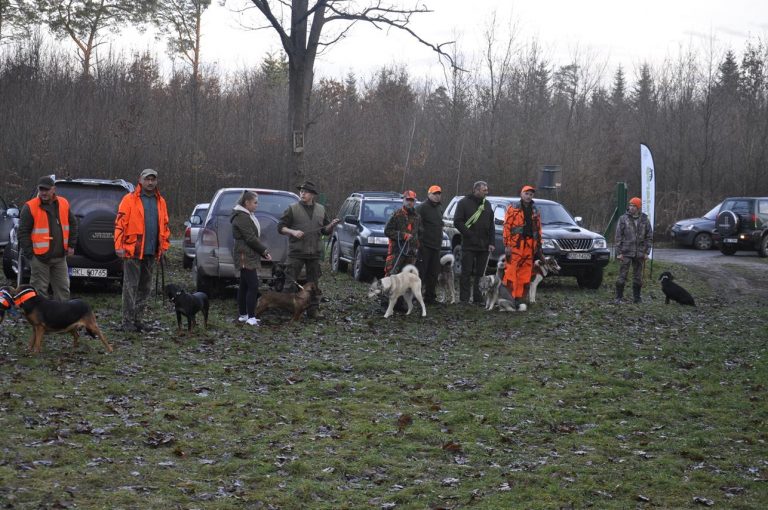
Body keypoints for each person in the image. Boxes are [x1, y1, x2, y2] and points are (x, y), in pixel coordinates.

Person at [114, 168, 171, 332]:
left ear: (156, 181)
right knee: (130, 286)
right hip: (132, 251)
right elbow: (119, 224)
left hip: (151, 251)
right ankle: (127, 321)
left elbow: (165, 226)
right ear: (140, 180)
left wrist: (164, 247)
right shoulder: (129, 199)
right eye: (147, 179)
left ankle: (138, 319)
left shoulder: (161, 201)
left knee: (145, 288)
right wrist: (119, 247)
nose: (150, 182)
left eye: (153, 179)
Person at [278, 180, 340, 319]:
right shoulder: (292, 208)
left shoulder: (321, 209)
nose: (302, 193)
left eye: (305, 192)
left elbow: (325, 231)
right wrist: (293, 232)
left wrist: (331, 225)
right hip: (296, 253)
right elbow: (280, 227)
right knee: (290, 284)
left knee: (314, 286)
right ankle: (285, 311)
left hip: (314, 254)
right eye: (301, 191)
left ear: (312, 195)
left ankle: (313, 311)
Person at [17, 175, 78, 301]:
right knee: (39, 294)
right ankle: (40, 320)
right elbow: (22, 233)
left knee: (63, 291)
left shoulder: (63, 203)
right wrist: (31, 256)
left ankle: (61, 318)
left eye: (46, 189)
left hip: (60, 258)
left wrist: (71, 245)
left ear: (53, 189)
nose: (43, 193)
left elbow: (73, 224)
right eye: (41, 189)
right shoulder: (30, 207)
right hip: (39, 259)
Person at [231, 191, 272, 326]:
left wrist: (261, 252)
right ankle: (251, 318)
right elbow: (250, 238)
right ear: (246, 203)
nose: (257, 205)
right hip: (244, 254)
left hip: (248, 252)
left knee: (244, 285)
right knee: (253, 285)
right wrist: (264, 251)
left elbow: (251, 238)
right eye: (255, 202)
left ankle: (243, 315)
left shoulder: (246, 215)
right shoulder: (242, 217)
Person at [502, 185, 543, 311]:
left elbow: (539, 228)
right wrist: (507, 244)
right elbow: (507, 226)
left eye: (531, 194)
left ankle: (519, 298)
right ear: (521, 194)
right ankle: (508, 297)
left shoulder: (535, 210)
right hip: (515, 245)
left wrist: (539, 245)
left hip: (529, 245)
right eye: (527, 193)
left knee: (525, 273)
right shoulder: (512, 208)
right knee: (511, 271)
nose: (529, 196)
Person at [453, 180, 495, 304]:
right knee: (466, 273)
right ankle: (464, 299)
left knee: (480, 274)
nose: (486, 192)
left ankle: (478, 298)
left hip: (484, 245)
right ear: (476, 190)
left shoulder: (487, 204)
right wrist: (470, 235)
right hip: (468, 244)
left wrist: (492, 242)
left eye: (487, 190)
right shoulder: (463, 203)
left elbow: (491, 225)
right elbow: (458, 222)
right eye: (484, 190)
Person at [614, 196, 653, 303]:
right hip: (626, 252)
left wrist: (646, 252)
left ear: (638, 207)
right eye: (630, 205)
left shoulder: (645, 219)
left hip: (640, 253)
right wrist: (619, 253)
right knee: (622, 275)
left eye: (634, 206)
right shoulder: (623, 219)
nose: (631, 208)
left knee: (638, 277)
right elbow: (618, 237)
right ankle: (618, 297)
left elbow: (649, 237)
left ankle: (637, 298)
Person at [416, 185, 444, 304]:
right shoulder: (421, 208)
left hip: (436, 246)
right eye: (435, 194)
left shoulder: (439, 208)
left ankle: (430, 297)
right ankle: (416, 296)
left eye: (439, 194)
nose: (437, 196)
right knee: (421, 273)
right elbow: (416, 226)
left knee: (433, 273)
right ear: (429, 195)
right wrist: (419, 242)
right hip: (425, 246)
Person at [384, 190, 421, 276]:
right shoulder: (396, 215)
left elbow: (420, 232)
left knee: (407, 279)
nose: (409, 202)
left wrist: (418, 243)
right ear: (403, 200)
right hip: (396, 252)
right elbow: (387, 231)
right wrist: (402, 235)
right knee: (391, 276)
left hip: (411, 253)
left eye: (412, 200)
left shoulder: (417, 217)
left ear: (414, 202)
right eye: (408, 200)